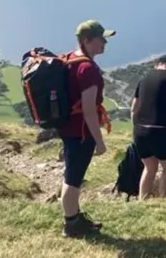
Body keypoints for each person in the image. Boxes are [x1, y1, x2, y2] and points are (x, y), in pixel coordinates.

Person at [58, 19, 114, 238]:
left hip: (68, 128)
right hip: (80, 132)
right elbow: (89, 110)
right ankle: (71, 225)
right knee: (73, 179)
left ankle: (75, 217)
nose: (105, 43)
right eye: (101, 39)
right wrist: (99, 141)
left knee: (72, 174)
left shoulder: (71, 59)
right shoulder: (87, 69)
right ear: (87, 40)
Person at [130, 54, 166, 200]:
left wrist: (135, 127)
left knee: (150, 167)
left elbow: (134, 107)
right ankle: (162, 199)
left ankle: (143, 198)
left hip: (139, 130)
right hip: (158, 129)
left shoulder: (144, 79)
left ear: (157, 64)